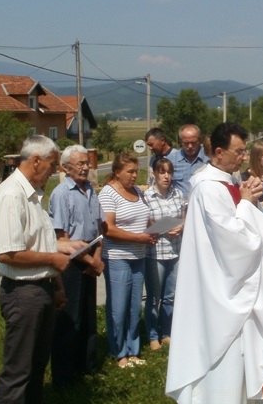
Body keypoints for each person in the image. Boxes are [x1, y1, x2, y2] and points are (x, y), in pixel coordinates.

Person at [166, 122, 263, 403]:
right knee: (228, 355)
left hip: (242, 283)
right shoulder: (208, 189)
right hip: (223, 291)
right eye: (239, 151)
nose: (244, 157)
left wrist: (252, 199)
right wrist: (247, 203)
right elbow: (234, 242)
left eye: (245, 151)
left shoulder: (231, 182)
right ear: (219, 152)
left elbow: (251, 230)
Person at [0, 135, 87, 404]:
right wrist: (53, 260)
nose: (55, 171)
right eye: (53, 164)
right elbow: (8, 253)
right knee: (18, 370)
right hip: (23, 293)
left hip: (40, 289)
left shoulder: (33, 196)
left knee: (36, 366)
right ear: (35, 161)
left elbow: (36, 241)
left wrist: (57, 278)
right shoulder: (11, 195)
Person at [48, 145, 104, 390]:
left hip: (91, 257)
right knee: (70, 320)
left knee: (87, 316)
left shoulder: (90, 189)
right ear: (65, 168)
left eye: (86, 163)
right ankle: (64, 375)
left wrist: (97, 257)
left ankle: (86, 365)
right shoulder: (62, 194)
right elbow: (62, 237)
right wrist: (90, 261)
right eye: (79, 164)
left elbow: (99, 229)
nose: (85, 167)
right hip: (72, 261)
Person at [100, 153, 156, 369]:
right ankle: (119, 351)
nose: (134, 176)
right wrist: (138, 237)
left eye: (136, 171)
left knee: (134, 307)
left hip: (139, 255)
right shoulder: (108, 194)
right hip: (117, 257)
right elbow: (108, 229)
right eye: (130, 172)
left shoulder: (138, 192)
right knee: (119, 306)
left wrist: (152, 231)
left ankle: (133, 349)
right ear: (116, 172)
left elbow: (144, 217)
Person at [144, 157, 186, 351]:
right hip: (156, 252)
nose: (166, 176)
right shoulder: (147, 196)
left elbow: (184, 216)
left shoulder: (177, 194)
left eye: (169, 172)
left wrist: (181, 226)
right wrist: (161, 229)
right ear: (154, 174)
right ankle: (152, 335)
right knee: (154, 297)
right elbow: (145, 223)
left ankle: (166, 332)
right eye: (162, 172)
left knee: (170, 295)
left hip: (175, 251)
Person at [169, 124, 207, 198]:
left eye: (193, 142)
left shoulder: (209, 159)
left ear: (200, 140)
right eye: (186, 143)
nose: (190, 146)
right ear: (180, 141)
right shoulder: (171, 160)